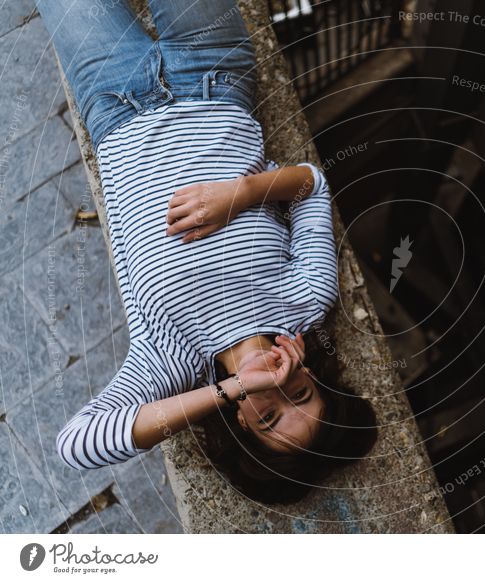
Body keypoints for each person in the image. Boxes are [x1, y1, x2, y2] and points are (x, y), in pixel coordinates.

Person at [36, 0, 377, 504]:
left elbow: (77, 446)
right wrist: (238, 194)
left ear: (240, 420)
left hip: (111, 101)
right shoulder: (305, 298)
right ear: (313, 377)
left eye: (266, 416)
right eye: (300, 395)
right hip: (214, 74)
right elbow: (311, 184)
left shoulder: (172, 358)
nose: (275, 389)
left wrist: (224, 389)